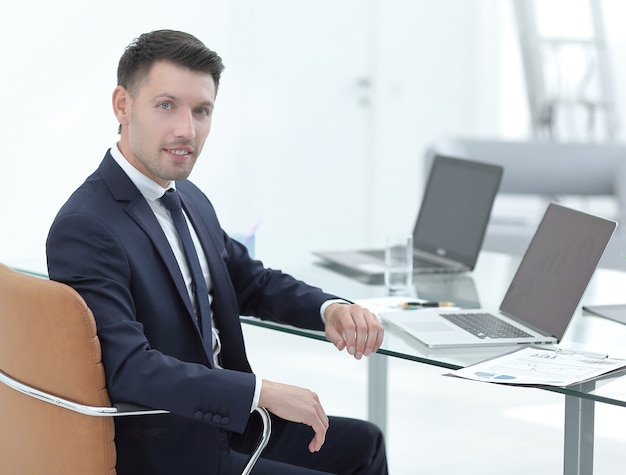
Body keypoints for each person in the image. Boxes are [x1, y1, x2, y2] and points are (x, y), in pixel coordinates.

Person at [46, 29, 388, 475]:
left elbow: (251, 282)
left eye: (201, 111)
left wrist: (329, 309)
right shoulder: (87, 226)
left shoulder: (187, 199)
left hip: (227, 426)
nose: (186, 130)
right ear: (123, 106)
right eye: (166, 105)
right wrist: (258, 391)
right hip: (168, 446)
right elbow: (129, 367)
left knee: (365, 443)